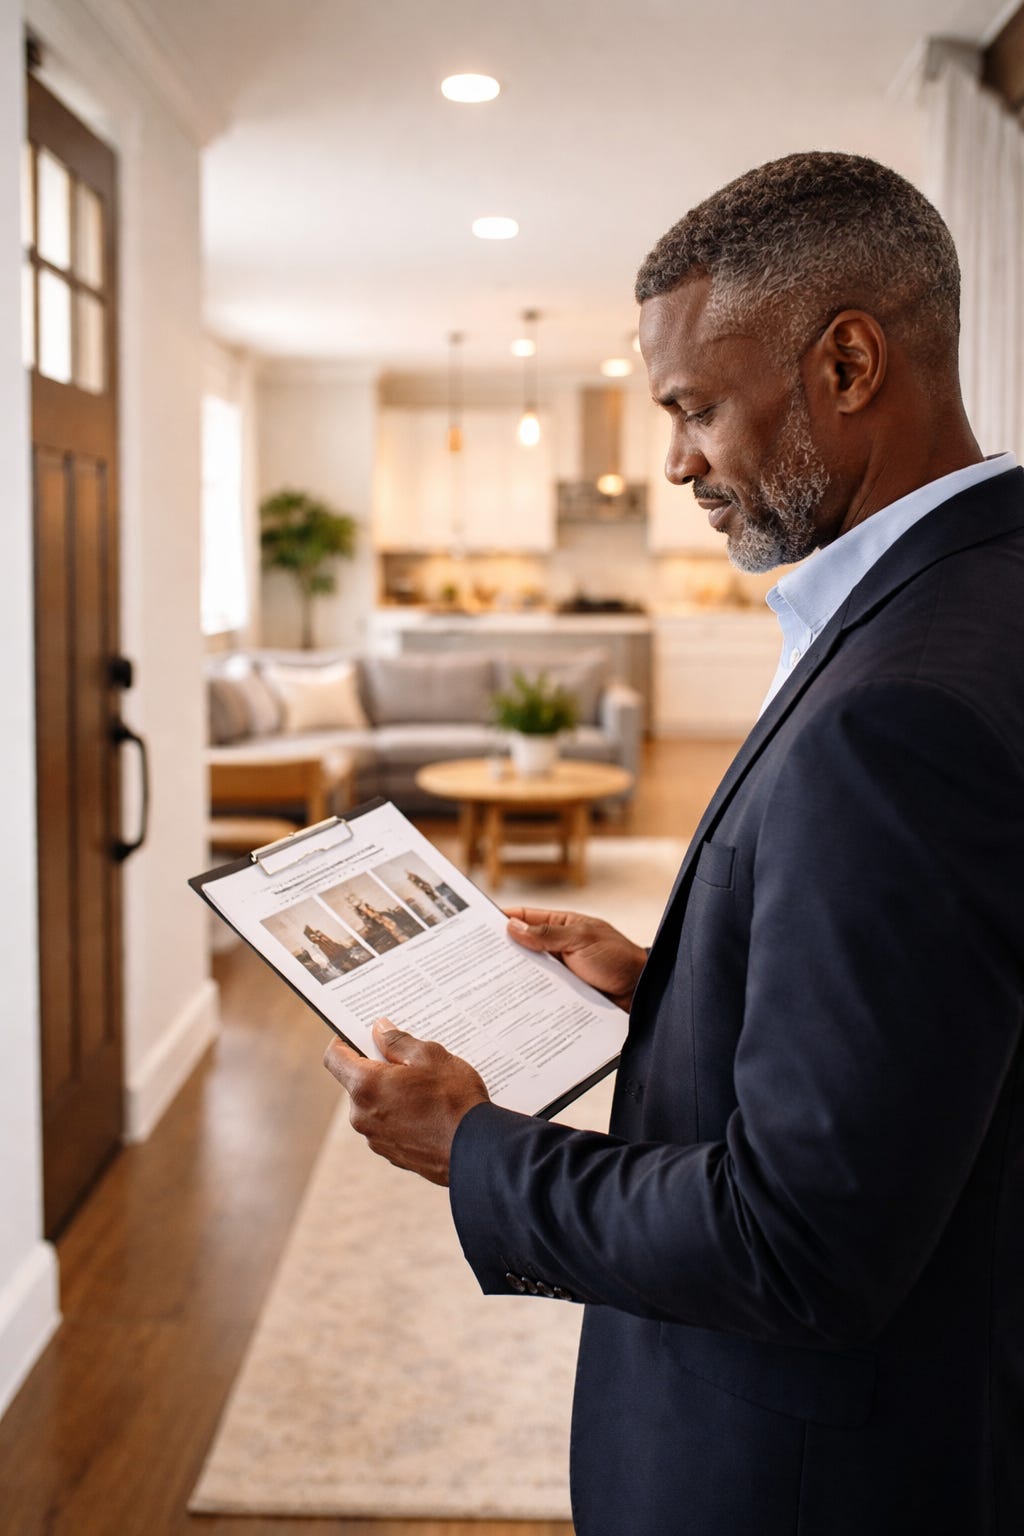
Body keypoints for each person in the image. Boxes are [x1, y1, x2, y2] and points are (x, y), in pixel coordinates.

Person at [322, 152, 1024, 1535]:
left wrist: (474, 1150)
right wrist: (683, 977)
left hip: (808, 1477)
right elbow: (953, 1004)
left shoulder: (893, 712)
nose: (676, 462)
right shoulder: (984, 593)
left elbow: (802, 1243)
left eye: (696, 407)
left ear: (848, 362)